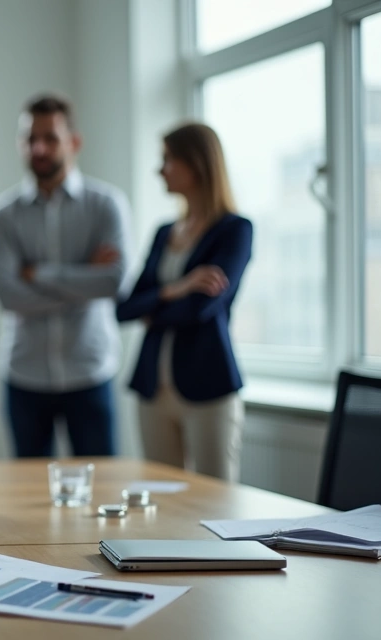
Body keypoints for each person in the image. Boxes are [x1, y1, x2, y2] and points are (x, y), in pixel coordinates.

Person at [0, 94, 130, 458]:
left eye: (50, 138)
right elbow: (9, 297)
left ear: (74, 142)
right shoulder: (3, 215)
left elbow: (113, 283)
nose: (38, 148)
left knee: (100, 495)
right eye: (30, 138)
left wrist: (38, 274)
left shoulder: (106, 204)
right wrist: (84, 279)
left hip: (90, 370)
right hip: (25, 375)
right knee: (30, 499)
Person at [117, 123, 252, 481]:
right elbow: (125, 307)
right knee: (160, 502)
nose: (159, 170)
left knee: (216, 502)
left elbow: (201, 309)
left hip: (208, 383)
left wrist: (152, 308)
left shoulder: (235, 230)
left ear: (195, 163)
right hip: (152, 387)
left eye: (167, 159)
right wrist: (177, 288)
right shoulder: (165, 232)